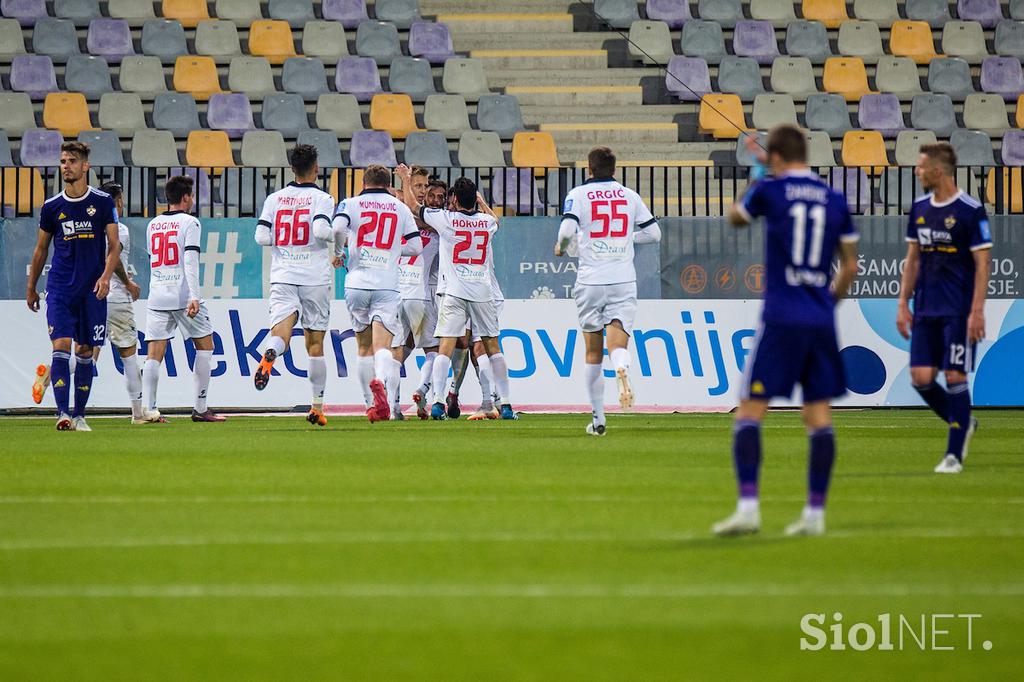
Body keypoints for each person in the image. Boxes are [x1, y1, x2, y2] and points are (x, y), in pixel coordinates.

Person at [713, 125, 859, 537]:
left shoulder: (770, 191)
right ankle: (814, 514)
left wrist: (758, 175)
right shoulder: (834, 198)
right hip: (819, 317)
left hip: (781, 316)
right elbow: (849, 266)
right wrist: (828, 305)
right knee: (818, 416)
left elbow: (736, 219)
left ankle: (748, 507)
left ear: (775, 156)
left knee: (750, 409)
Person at [897, 143, 991, 474]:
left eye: (921, 167)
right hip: (925, 308)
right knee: (920, 378)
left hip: (958, 309)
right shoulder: (920, 207)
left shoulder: (969, 210)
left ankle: (954, 454)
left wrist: (977, 310)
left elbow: (982, 264)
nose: (916, 171)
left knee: (954, 374)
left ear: (938, 171)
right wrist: (902, 303)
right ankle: (961, 420)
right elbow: (913, 259)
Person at [554, 146, 662, 436]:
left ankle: (599, 419)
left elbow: (566, 233)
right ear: (615, 169)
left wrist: (562, 248)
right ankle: (621, 366)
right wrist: (627, 239)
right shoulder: (629, 195)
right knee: (617, 344)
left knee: (592, 352)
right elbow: (654, 234)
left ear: (589, 169)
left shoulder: (578, 194)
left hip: (590, 280)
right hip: (622, 279)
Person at [399, 173, 517, 421]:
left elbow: (413, 206)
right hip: (482, 291)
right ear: (473, 199)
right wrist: (481, 203)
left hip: (453, 291)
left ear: (453, 198)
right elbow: (496, 220)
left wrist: (405, 180)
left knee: (445, 347)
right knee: (491, 347)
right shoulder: (486, 222)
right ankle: (505, 404)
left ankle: (439, 402)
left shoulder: (446, 219)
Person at [26, 141, 121, 431]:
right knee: (61, 346)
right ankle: (63, 413)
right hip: (60, 289)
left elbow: (114, 246)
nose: (66, 165)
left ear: (85, 166)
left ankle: (80, 415)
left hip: (92, 290)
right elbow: (41, 249)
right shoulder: (53, 206)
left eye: (72, 161)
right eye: (63, 161)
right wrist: (31, 287)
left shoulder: (103, 202)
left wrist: (105, 277)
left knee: (84, 353)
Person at [252, 144, 343, 427]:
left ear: (292, 168)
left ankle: (271, 353)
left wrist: (283, 240)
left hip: (283, 274)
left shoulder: (275, 198)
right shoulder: (322, 198)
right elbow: (320, 231)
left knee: (281, 331)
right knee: (315, 345)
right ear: (316, 168)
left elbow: (260, 237)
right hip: (314, 277)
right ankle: (316, 407)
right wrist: (340, 236)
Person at [333, 165, 423, 422]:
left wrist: (340, 253)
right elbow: (415, 247)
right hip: (387, 285)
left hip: (356, 283)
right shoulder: (400, 208)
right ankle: (380, 382)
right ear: (387, 183)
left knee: (363, 347)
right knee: (384, 346)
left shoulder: (349, 204)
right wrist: (393, 252)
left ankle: (369, 404)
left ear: (364, 182)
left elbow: (338, 230)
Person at [143, 175, 225, 422]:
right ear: (186, 197)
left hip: (157, 294)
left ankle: (149, 410)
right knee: (205, 346)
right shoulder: (190, 223)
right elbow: (190, 260)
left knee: (153, 354)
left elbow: (152, 259)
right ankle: (200, 409)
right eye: (191, 196)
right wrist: (194, 296)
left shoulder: (153, 224)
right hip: (182, 294)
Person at [390, 166, 441, 420]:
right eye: (418, 186)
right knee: (433, 349)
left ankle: (394, 408)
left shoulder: (399, 214)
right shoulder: (430, 221)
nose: (422, 191)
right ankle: (422, 389)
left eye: (424, 186)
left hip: (396, 293)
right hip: (417, 295)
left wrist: (401, 190)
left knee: (399, 349)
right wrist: (404, 186)